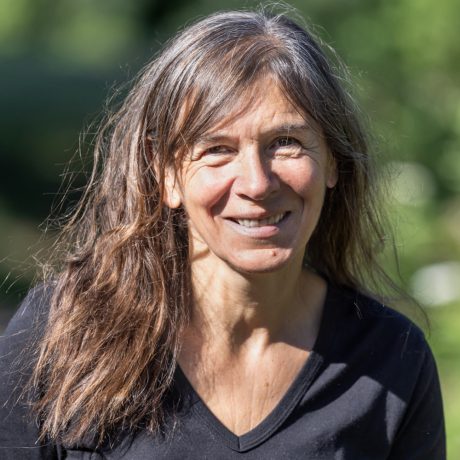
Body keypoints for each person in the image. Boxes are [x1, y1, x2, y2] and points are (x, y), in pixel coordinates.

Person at [0, 9, 445, 459]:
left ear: (331, 159)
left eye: (285, 142)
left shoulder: (393, 359)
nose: (256, 182)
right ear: (166, 174)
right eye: (217, 149)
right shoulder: (63, 335)